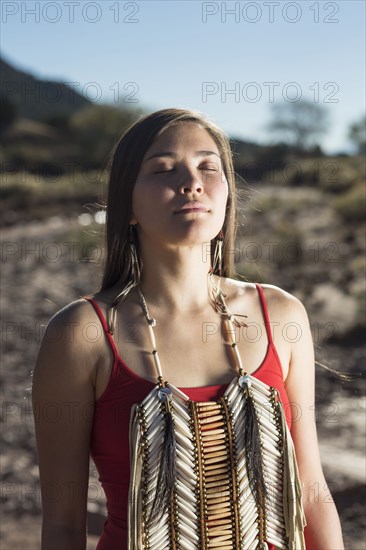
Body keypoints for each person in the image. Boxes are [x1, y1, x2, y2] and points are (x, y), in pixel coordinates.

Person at [32, 108, 344, 550]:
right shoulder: (81, 333)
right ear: (128, 205)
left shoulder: (281, 314)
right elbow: (63, 526)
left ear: (227, 194)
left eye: (207, 167)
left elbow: (311, 493)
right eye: (163, 169)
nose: (192, 182)